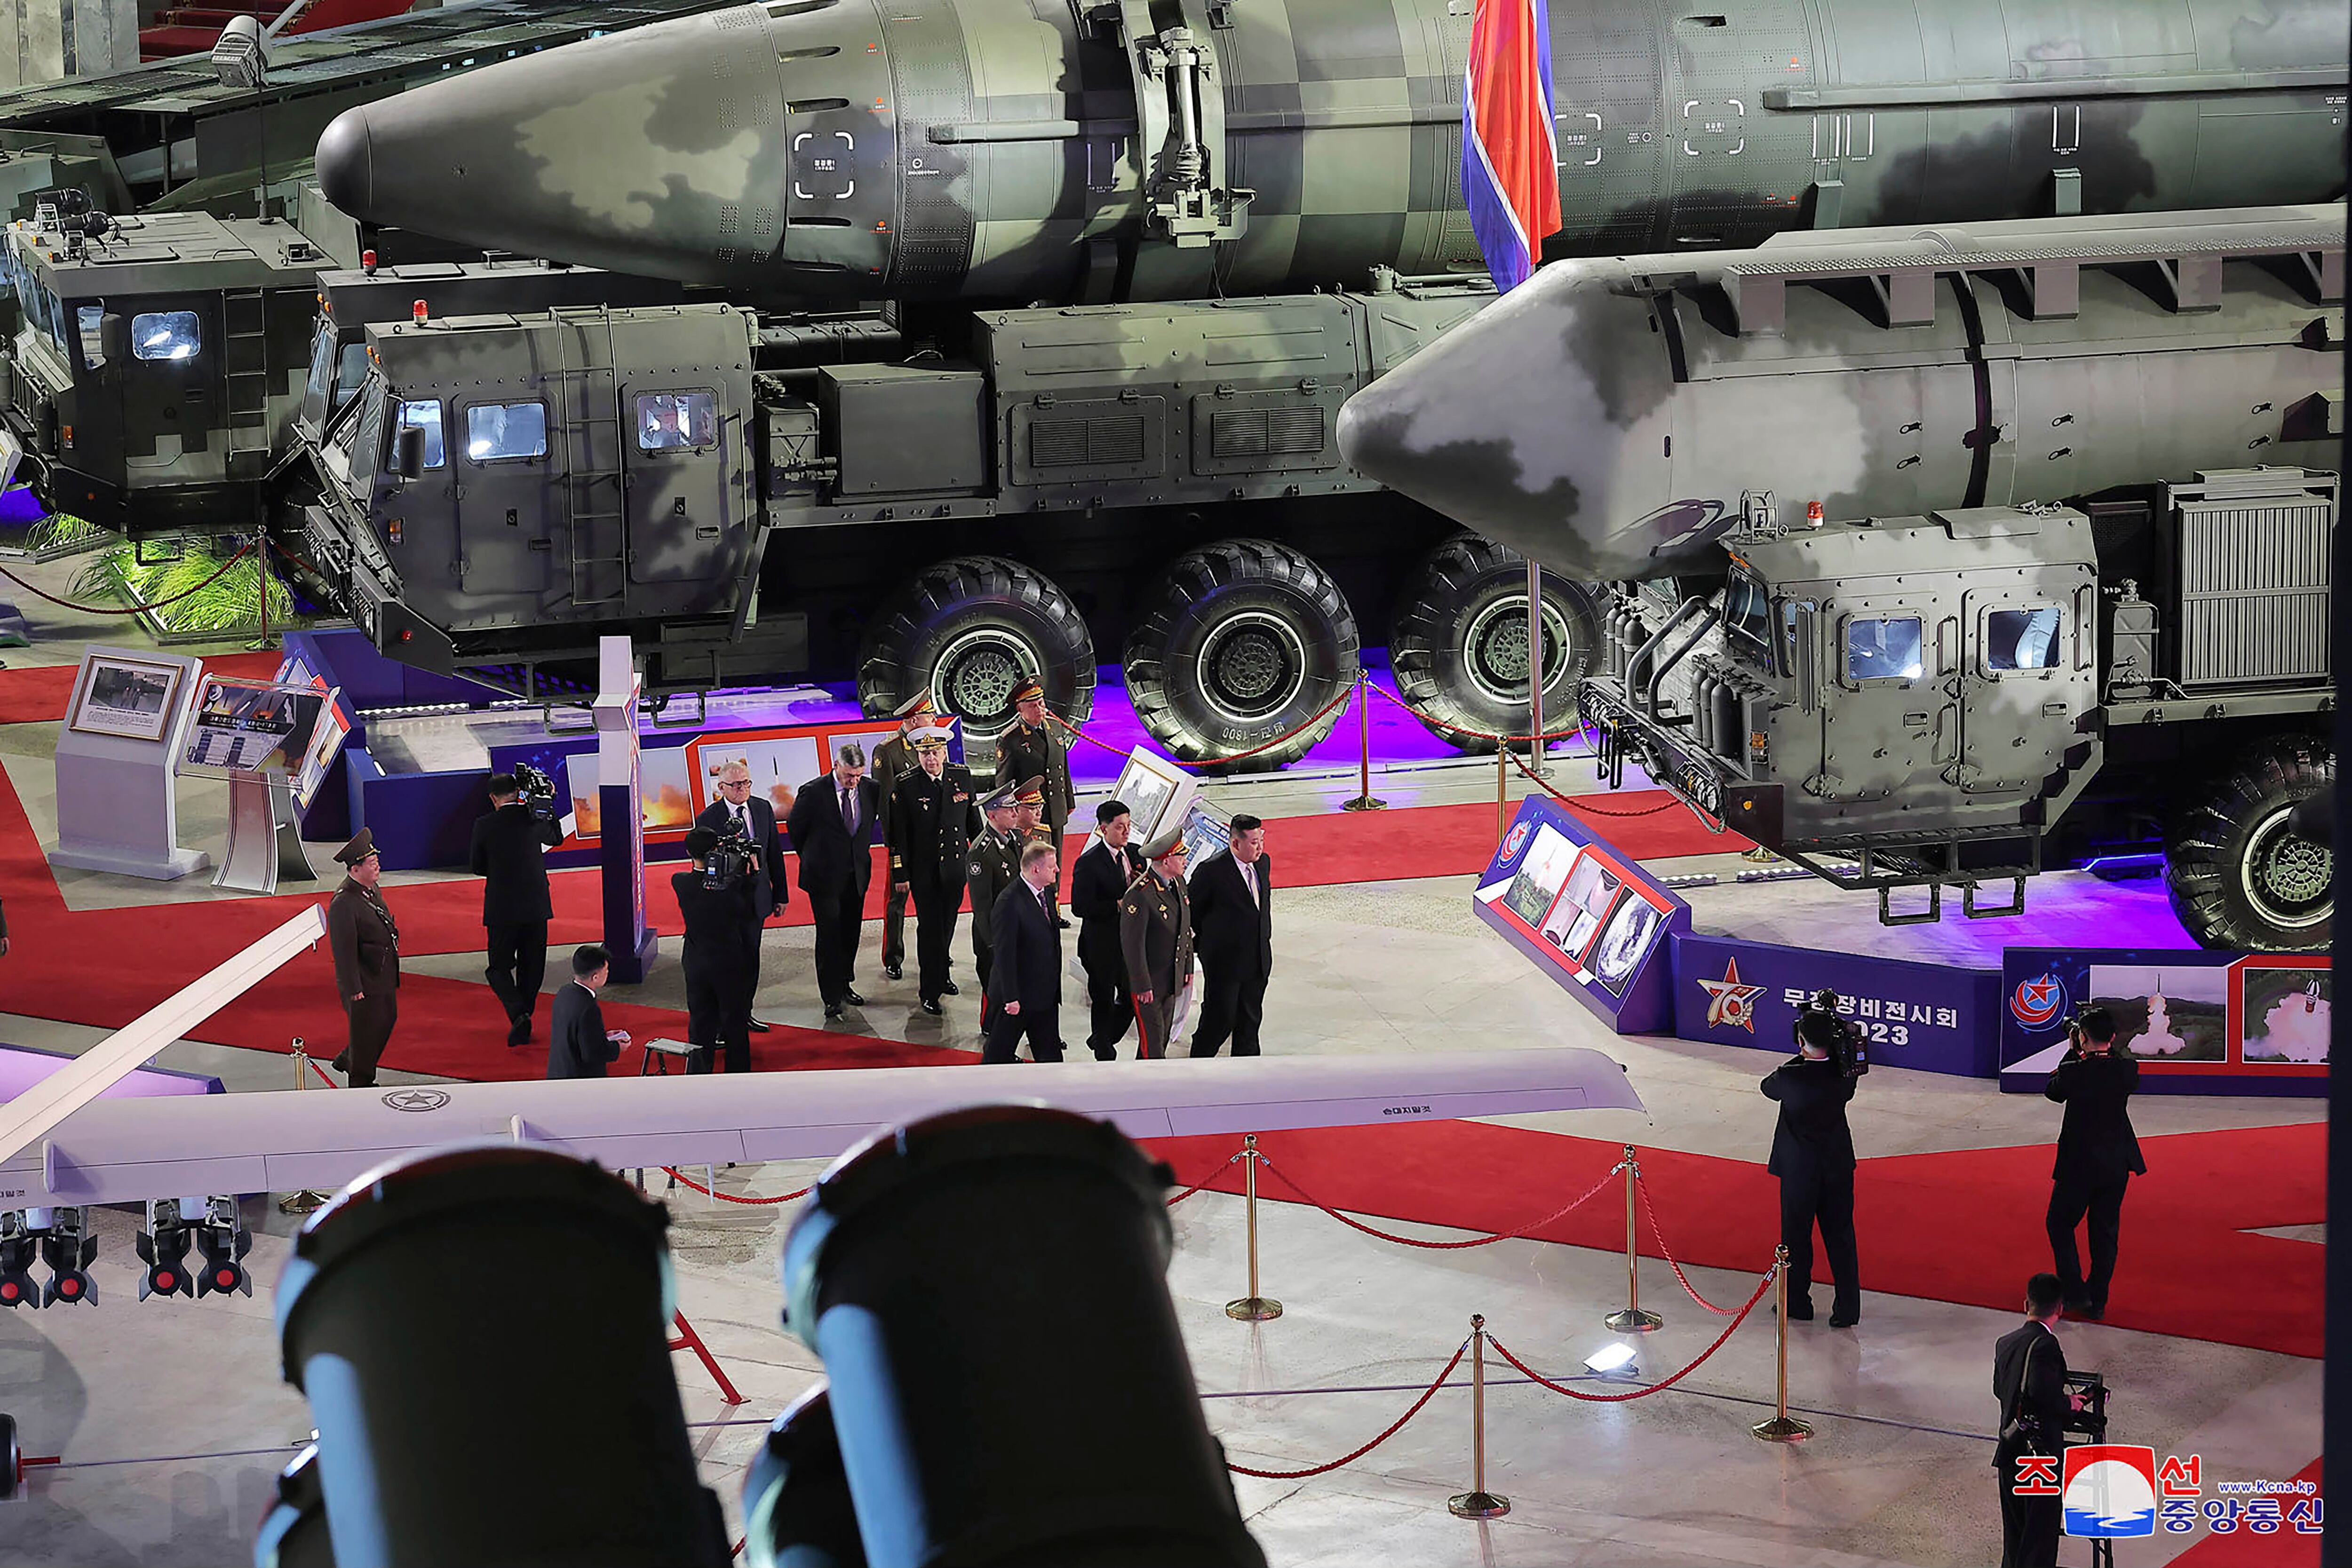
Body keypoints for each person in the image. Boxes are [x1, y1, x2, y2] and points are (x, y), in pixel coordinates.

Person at [1760, 1009, 1861, 1326]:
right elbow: (1850, 1069)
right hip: (1836, 1166)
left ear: (1800, 1041)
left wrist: (1801, 1054)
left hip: (1799, 1170)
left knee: (1795, 1236)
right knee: (1841, 1236)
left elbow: (1768, 1087)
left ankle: (1797, 1302)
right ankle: (1847, 1308)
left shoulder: (1790, 1076)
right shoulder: (1845, 1075)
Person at [2044, 1006, 2144, 1321]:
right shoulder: (2127, 1070)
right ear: (2113, 1038)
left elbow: (2053, 1091)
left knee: (2059, 1223)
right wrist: (2092, 1046)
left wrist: (2073, 1050)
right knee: (2104, 1233)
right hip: (2116, 1164)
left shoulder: (2074, 1071)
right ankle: (2098, 1299)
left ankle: (2075, 1291)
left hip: (2079, 1165)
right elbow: (2111, 1062)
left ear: (2082, 1038)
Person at [1994, 1273, 2089, 1568]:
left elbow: (2000, 1389)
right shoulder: (2045, 1345)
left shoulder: (2005, 1343)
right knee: (2039, 1539)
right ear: (2060, 1308)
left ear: (2027, 1304)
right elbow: (2040, 1393)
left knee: (2016, 1535)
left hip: (2010, 1450)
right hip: (2039, 1459)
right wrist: (2069, 1403)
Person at [786, 741, 881, 1021]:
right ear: (836, 766)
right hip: (824, 878)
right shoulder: (813, 793)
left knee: (851, 933)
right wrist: (815, 858)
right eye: (849, 775)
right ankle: (831, 997)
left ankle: (844, 984)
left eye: (858, 776)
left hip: (857, 875)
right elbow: (796, 831)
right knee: (829, 935)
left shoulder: (871, 789)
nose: (854, 782)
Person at [888, 725, 979, 1015]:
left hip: (955, 868)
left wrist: (978, 861)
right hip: (924, 872)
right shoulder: (907, 784)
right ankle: (929, 990)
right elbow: (898, 836)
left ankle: (943, 975)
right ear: (918, 755)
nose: (931, 759)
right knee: (930, 930)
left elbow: (973, 824)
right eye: (925, 753)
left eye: (935, 753)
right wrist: (900, 874)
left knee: (948, 925)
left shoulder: (961, 777)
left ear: (944, 752)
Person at [469, 772, 564, 1045]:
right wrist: (549, 806)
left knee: (498, 968)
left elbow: (477, 866)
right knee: (532, 966)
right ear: (519, 793)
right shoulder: (534, 817)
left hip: (503, 907)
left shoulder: (484, 825)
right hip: (536, 905)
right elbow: (555, 838)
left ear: (493, 798)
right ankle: (525, 1014)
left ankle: (518, 1013)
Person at [695, 761, 789, 1032]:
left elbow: (774, 854)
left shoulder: (762, 808)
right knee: (728, 964)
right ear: (721, 787)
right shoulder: (708, 818)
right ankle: (726, 1021)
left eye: (746, 783)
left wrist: (780, 895)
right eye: (736, 785)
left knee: (751, 960)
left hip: (757, 901)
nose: (742, 789)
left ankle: (745, 1013)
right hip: (725, 905)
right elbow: (703, 866)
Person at [673, 827, 756, 1074]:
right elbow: (747, 914)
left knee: (700, 1020)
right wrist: (752, 875)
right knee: (734, 1019)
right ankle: (738, 1074)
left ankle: (699, 1073)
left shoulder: (680, 882)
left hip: (696, 962)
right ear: (716, 851)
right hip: (728, 962)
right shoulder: (733, 888)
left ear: (689, 852)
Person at [1188, 815, 1272, 1058]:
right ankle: (1198, 1068)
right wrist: (1207, 947)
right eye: (1254, 842)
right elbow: (1192, 912)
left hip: (1257, 960)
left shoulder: (1263, 863)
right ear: (1236, 843)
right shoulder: (1211, 871)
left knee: (1250, 1023)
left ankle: (1247, 1076)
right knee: (1219, 1021)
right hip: (1225, 965)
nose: (1260, 847)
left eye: (1261, 840)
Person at [325, 828, 400, 1087]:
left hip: (382, 973)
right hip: (365, 982)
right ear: (355, 869)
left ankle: (350, 1057)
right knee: (367, 1034)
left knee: (388, 1019)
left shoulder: (370, 888)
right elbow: (343, 950)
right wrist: (353, 988)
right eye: (371, 863)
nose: (377, 866)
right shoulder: (344, 903)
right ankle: (361, 1083)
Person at [872, 692, 938, 982]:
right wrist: (894, 845)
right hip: (904, 842)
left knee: (933, 900)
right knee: (897, 901)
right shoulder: (888, 750)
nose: (934, 722)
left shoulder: (933, 745)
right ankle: (893, 956)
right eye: (930, 717)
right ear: (914, 720)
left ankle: (936, 950)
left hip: (932, 841)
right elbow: (884, 802)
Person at [1072, 798, 1145, 1060]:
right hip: (1101, 945)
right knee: (1102, 1000)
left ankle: (1104, 1037)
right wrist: (1116, 905)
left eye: (1128, 825)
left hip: (1129, 943)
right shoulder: (1089, 863)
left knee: (1130, 996)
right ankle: (1104, 1053)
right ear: (1104, 829)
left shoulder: (1137, 854)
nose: (1126, 832)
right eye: (1119, 827)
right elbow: (1079, 907)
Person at [982, 841, 1065, 1064]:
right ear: (1036, 869)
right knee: (997, 1058)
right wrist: (1011, 997)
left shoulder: (1046, 892)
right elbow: (1004, 954)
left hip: (1045, 996)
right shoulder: (1009, 903)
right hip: (1017, 1000)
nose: (1057, 870)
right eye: (1052, 866)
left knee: (1051, 1058)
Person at [1120, 828, 1193, 1060]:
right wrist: (1142, 985)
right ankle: (1150, 1088)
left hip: (1171, 978)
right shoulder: (1140, 894)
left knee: (1161, 1039)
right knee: (1152, 1043)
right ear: (1166, 860)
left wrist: (1187, 968)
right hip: (1150, 984)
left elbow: (1185, 930)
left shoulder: (1178, 883)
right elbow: (1133, 945)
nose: (1185, 861)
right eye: (1180, 857)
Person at [993, 680, 1074, 891]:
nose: (1039, 709)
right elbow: (1004, 782)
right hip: (1030, 815)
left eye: (1041, 703)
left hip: (1055, 807)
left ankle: (1053, 908)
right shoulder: (1010, 739)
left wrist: (1069, 801)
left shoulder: (1054, 727)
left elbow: (1062, 767)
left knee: (1055, 862)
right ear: (1020, 708)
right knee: (1036, 866)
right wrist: (1009, 815)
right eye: (1032, 705)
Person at [965, 784, 1021, 1008]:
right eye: (1010, 809)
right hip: (996, 934)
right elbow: (982, 906)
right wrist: (993, 944)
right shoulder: (980, 853)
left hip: (1015, 927)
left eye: (1015, 807)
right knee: (997, 993)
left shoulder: (1013, 837)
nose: (1016, 813)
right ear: (992, 815)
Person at [548, 945, 631, 1079]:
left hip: (560, 1070)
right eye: (606, 970)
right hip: (579, 1079)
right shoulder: (588, 1008)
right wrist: (617, 1047)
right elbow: (592, 1054)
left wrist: (602, 1036)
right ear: (595, 977)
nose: (608, 973)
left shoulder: (565, 992)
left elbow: (574, 1034)